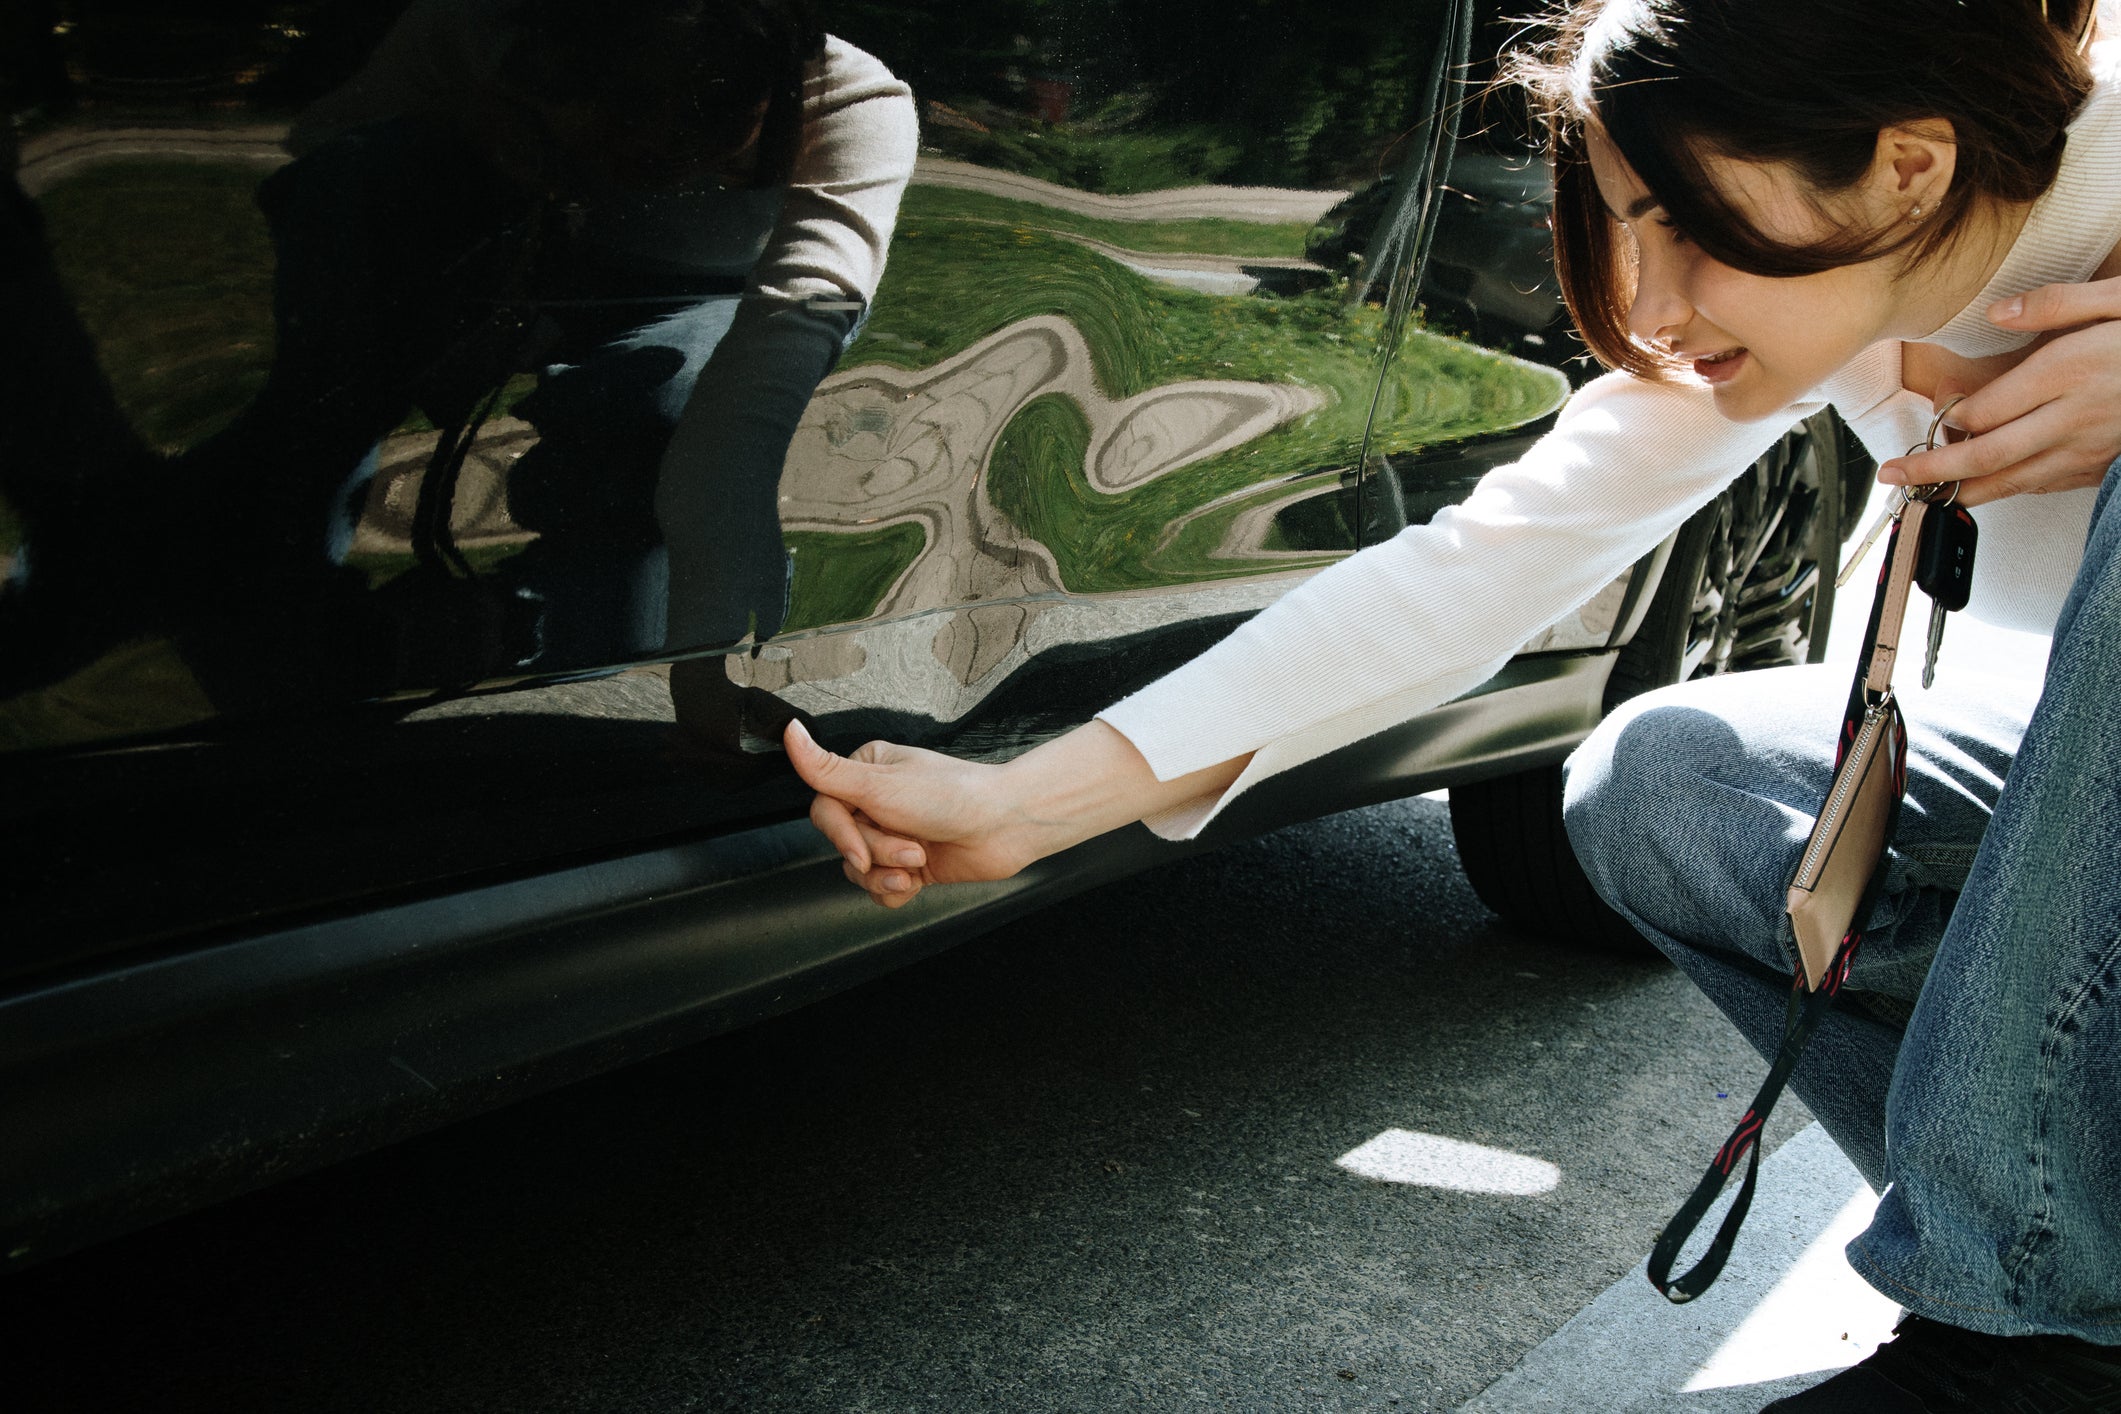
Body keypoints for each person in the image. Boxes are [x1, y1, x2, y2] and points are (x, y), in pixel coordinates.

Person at [780, 1, 2121, 1408]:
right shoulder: (1851, 287)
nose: (1651, 302)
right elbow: (1486, 565)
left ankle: (2014, 1346)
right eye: (1625, 224)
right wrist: (1023, 804)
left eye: (1689, 224)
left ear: (1906, 164)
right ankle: (2066, 1283)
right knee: (1674, 784)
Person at [151, 0, 916, 706]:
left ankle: (520, 635)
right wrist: (475, 152)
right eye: (621, 96)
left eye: (709, 108)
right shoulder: (471, 32)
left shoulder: (852, 102)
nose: (656, 140)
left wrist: (711, 651)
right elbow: (316, 161)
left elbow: (752, 400)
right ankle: (275, 598)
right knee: (355, 217)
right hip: (502, 257)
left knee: (668, 402)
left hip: (714, 294)